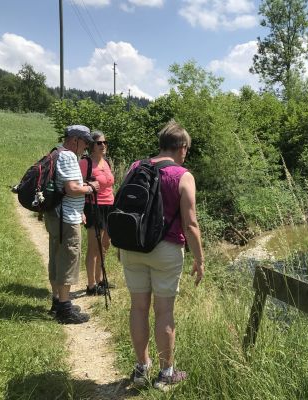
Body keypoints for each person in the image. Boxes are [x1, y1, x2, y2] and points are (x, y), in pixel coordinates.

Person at [120, 120, 204, 390]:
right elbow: (190, 224)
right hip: (166, 249)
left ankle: (141, 369)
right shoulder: (183, 175)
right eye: (186, 149)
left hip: (132, 246)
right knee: (164, 311)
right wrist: (199, 260)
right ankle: (166, 374)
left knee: (138, 308)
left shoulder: (136, 166)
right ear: (182, 147)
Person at [46, 125, 100, 324]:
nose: (86, 147)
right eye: (85, 143)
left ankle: (57, 302)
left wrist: (79, 212)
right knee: (68, 259)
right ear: (75, 139)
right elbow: (71, 188)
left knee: (56, 257)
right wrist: (91, 187)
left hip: (57, 215)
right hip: (66, 219)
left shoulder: (57, 152)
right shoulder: (68, 157)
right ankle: (65, 310)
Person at [79, 131, 115, 296]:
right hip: (93, 206)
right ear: (91, 145)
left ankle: (100, 279)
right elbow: (77, 185)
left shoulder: (106, 162)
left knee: (106, 243)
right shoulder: (85, 163)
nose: (103, 145)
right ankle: (91, 285)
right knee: (94, 247)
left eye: (105, 142)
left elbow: (109, 184)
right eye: (99, 143)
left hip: (109, 205)